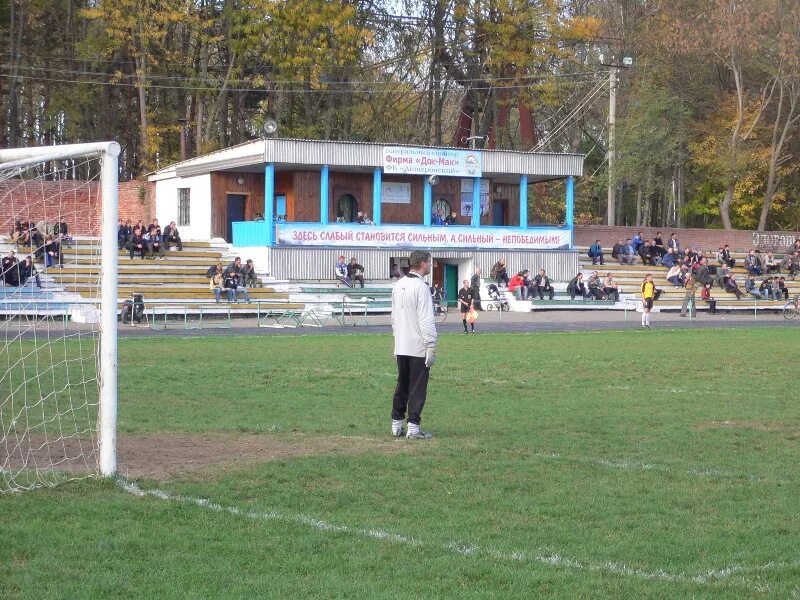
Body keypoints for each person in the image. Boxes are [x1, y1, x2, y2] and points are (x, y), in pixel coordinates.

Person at [390, 250, 437, 439]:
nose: (431, 266)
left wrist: (396, 341)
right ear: (423, 263)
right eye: (429, 262)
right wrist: (431, 344)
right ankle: (413, 427)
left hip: (401, 344)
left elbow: (393, 318)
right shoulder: (421, 287)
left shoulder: (398, 285)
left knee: (402, 384)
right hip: (417, 345)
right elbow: (426, 319)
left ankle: (396, 424)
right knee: (417, 387)